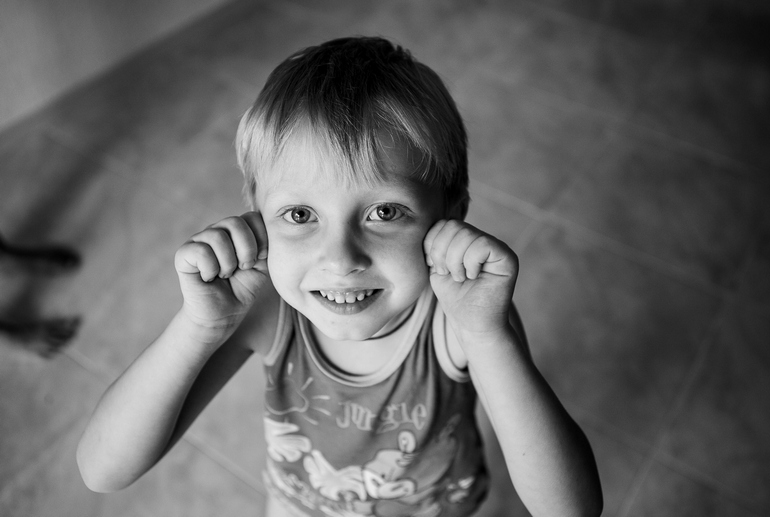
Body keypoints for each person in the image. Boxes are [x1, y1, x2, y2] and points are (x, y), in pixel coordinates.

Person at [77, 37, 602, 517]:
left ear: (452, 216)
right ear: (258, 221)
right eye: (300, 215)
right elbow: (102, 471)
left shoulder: (463, 316)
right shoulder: (261, 308)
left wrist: (489, 336)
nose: (341, 259)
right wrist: (198, 327)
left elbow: (572, 509)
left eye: (384, 212)